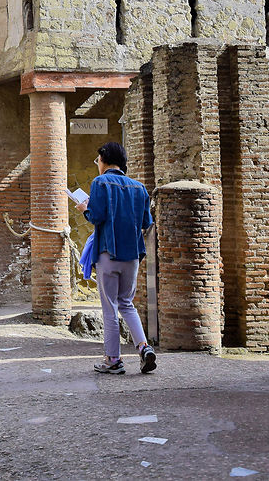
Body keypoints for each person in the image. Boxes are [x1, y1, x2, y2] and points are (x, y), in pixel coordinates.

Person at [76, 141, 158, 375]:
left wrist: (84, 209)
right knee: (126, 303)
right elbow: (146, 223)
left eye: (97, 161)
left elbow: (97, 216)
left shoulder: (100, 183)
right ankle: (143, 346)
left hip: (108, 253)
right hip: (132, 255)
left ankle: (113, 359)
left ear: (103, 159)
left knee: (110, 307)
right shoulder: (139, 188)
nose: (97, 165)